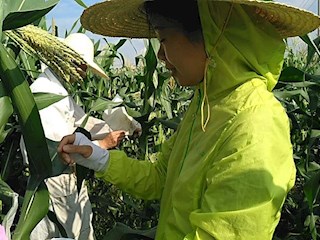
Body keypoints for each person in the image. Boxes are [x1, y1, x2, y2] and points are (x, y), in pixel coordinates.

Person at [58, 0, 320, 239]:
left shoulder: (255, 124)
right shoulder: (206, 104)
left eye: (164, 38)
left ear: (212, 37)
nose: (160, 55)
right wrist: (96, 156)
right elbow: (161, 177)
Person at [20, 32, 141, 240]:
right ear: (70, 60)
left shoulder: (58, 91)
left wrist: (125, 127)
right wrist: (103, 144)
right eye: (84, 67)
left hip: (67, 184)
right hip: (54, 186)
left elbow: (82, 120)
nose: (84, 74)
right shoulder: (44, 94)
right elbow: (59, 152)